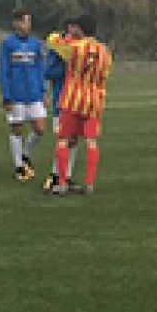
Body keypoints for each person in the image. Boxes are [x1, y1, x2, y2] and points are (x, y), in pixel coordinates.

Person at [48, 15, 113, 196]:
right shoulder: (104, 51)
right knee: (91, 140)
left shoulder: (73, 47)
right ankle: (89, 183)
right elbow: (106, 73)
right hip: (94, 100)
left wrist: (63, 37)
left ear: (80, 29)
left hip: (72, 99)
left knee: (63, 139)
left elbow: (52, 42)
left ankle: (61, 183)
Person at [0, 8, 49, 182]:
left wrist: (42, 91)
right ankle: (19, 166)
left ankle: (25, 154)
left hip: (34, 93)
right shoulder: (8, 44)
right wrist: (6, 96)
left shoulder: (35, 43)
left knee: (40, 129)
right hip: (16, 94)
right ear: (16, 23)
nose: (28, 24)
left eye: (29, 21)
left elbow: (39, 68)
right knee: (16, 129)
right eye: (25, 21)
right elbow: (3, 71)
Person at [44, 20, 79, 188]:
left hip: (78, 101)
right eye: (73, 26)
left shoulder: (83, 48)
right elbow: (48, 71)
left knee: (73, 140)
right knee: (63, 139)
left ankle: (67, 175)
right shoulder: (58, 47)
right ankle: (54, 175)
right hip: (62, 100)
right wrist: (67, 68)